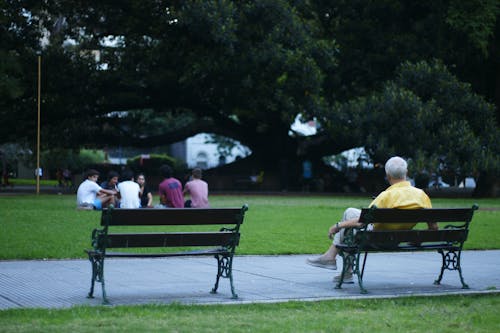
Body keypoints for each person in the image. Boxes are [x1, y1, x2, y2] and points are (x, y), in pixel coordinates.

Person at [306, 156, 435, 283]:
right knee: (351, 213)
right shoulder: (421, 195)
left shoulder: (386, 196)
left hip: (375, 239)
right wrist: (418, 239)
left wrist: (338, 225)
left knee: (349, 214)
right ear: (406, 173)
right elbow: (433, 228)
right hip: (396, 240)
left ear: (388, 176)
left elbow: (362, 221)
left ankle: (336, 262)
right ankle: (333, 260)